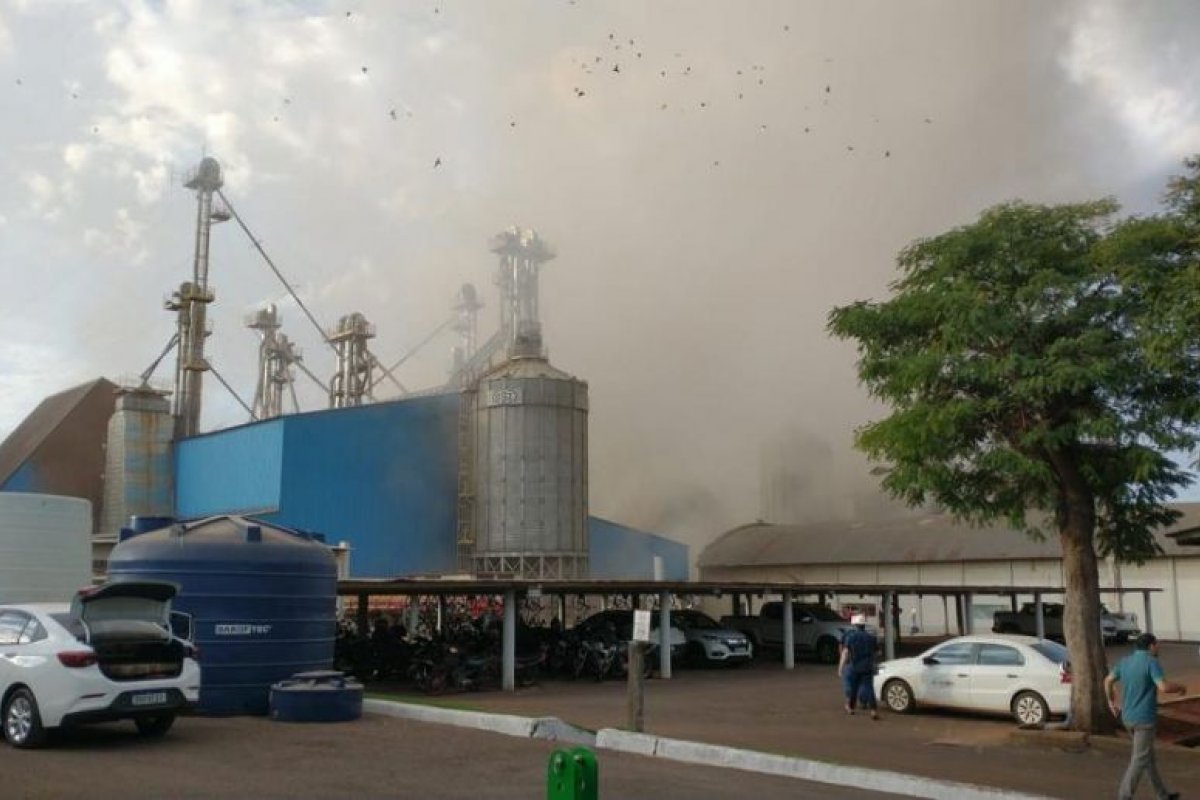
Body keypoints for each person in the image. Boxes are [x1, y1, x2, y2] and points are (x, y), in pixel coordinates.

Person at [1105, 633, 1186, 800]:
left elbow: (1108, 681)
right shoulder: (1151, 662)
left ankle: (1162, 795)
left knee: (1148, 758)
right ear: (1150, 646)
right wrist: (1180, 687)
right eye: (1157, 645)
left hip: (1127, 717)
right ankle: (1124, 796)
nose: (1158, 648)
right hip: (1144, 719)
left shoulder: (1125, 662)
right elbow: (1163, 686)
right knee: (1139, 759)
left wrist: (1110, 701)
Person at [837, 613, 879, 719]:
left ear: (855, 625)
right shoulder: (871, 638)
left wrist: (840, 668)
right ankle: (873, 710)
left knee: (854, 688)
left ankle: (851, 708)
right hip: (868, 666)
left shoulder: (851, 637)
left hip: (855, 665)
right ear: (864, 625)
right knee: (869, 688)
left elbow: (845, 653)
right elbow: (877, 653)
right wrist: (874, 663)